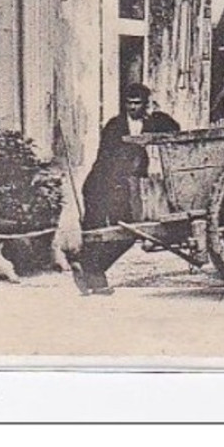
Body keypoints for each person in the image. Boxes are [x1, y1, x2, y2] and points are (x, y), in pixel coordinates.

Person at [67, 83, 180, 294]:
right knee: (116, 232)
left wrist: (154, 115)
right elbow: (109, 162)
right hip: (102, 185)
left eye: (138, 103)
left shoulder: (152, 122)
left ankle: (90, 272)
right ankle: (92, 273)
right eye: (129, 103)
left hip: (124, 185)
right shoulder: (114, 126)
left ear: (146, 105)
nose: (132, 108)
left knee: (120, 234)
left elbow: (175, 129)